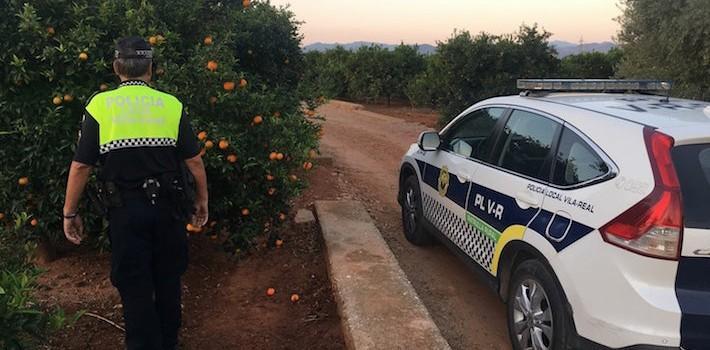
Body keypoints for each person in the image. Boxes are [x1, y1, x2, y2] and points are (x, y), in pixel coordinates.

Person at [62, 36, 208, 350]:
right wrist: (202, 200)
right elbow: (194, 160)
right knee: (168, 279)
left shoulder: (100, 106)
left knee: (134, 284)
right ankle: (168, 342)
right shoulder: (171, 104)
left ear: (117, 68)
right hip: (169, 210)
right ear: (150, 69)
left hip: (126, 212)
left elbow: (81, 167)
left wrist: (69, 213)